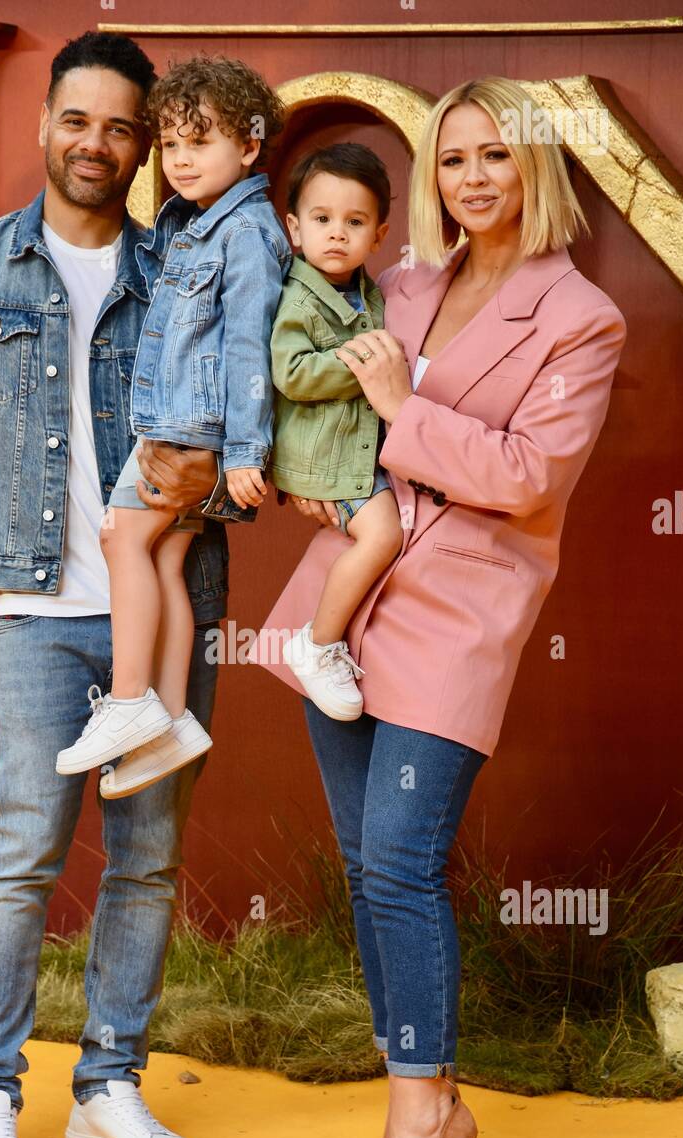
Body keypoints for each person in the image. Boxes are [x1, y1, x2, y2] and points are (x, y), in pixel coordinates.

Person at [248, 76, 627, 1138]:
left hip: (456, 618)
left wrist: (406, 406)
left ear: (537, 168)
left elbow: (525, 478)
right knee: (367, 869)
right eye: (451, 157)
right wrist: (313, 484)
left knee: (404, 865)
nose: (471, 177)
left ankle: (423, 1120)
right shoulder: (398, 280)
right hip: (343, 611)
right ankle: (422, 1098)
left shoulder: (581, 320)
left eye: (494, 155)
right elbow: (326, 409)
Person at [0, 32, 240, 1138]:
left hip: (170, 604)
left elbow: (241, 406)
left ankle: (109, 1089)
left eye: (122, 127)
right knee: (23, 849)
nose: (97, 143)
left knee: (146, 857)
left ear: (147, 143)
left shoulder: (185, 269)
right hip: (37, 607)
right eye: (77, 120)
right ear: (44, 124)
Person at [55, 57, 291, 796]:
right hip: (185, 423)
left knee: (120, 537)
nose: (183, 160)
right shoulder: (189, 224)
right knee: (162, 561)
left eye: (203, 142)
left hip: (189, 429)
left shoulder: (245, 233)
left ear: (249, 148)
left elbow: (254, 345)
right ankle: (173, 718)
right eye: (173, 145)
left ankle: (130, 701)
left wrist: (246, 450)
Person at [269, 144, 403, 721]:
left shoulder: (366, 290)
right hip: (328, 460)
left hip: (356, 448)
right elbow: (291, 372)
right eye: (322, 220)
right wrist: (364, 367)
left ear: (379, 234)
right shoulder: (299, 296)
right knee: (382, 536)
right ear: (295, 228)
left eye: (355, 222)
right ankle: (318, 643)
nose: (337, 235)